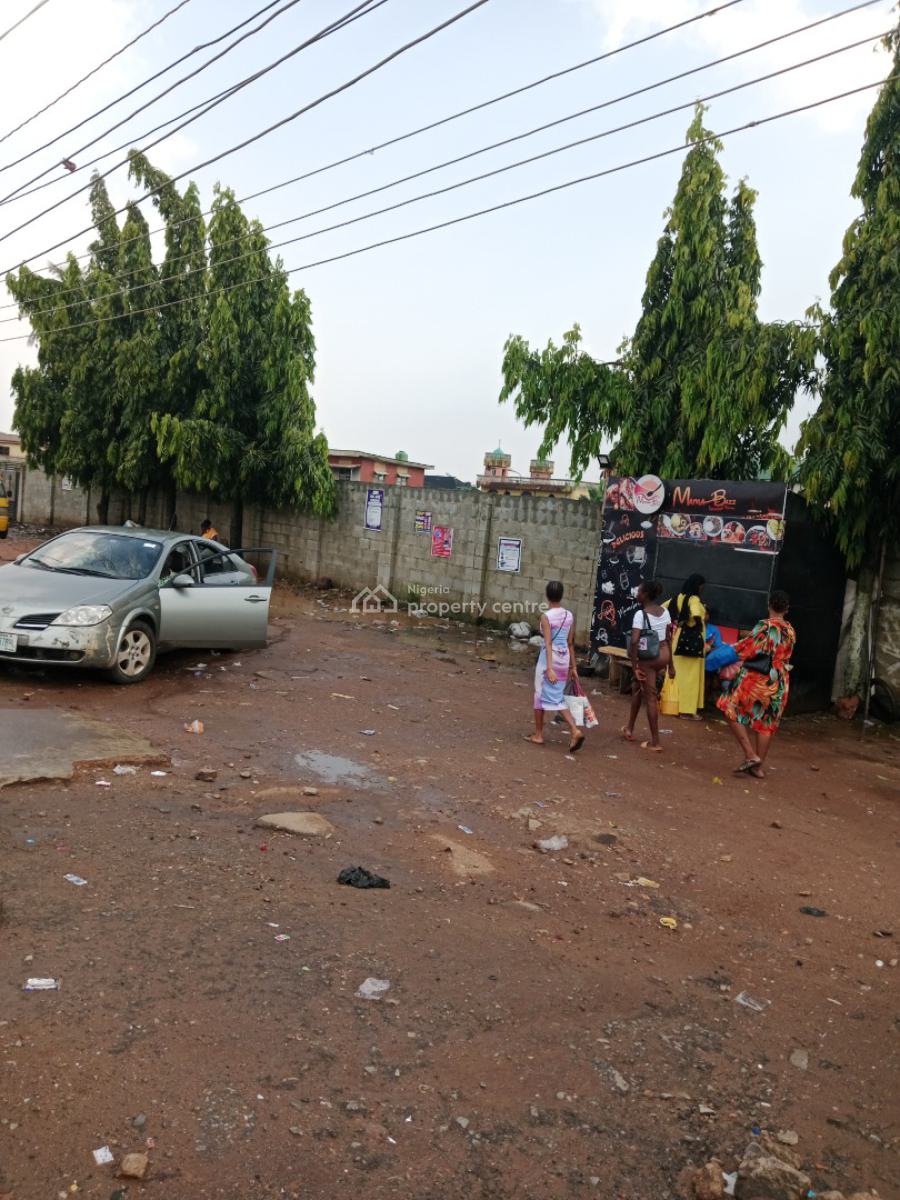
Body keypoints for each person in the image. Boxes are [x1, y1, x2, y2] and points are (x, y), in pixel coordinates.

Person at [717, 590, 796, 780]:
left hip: (756, 678)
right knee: (766, 723)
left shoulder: (765, 626)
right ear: (786, 609)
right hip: (779, 680)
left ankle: (750, 755)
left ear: (769, 605)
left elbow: (748, 648)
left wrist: (730, 647)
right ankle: (757, 767)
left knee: (728, 707)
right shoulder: (791, 630)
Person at [525, 580, 585, 753]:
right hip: (564, 658)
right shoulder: (569, 615)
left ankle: (554, 733)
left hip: (548, 660)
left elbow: (548, 643)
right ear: (561, 595)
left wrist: (549, 668)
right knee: (555, 694)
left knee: (543, 695)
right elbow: (571, 643)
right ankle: (543, 733)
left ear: (547, 595)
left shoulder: (546, 616)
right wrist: (573, 667)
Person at [623, 579, 674, 751]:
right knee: (636, 685)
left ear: (645, 595)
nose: (637, 594)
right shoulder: (665, 612)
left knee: (651, 698)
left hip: (649, 659)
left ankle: (655, 742)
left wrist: (635, 666)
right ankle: (629, 728)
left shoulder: (640, 615)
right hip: (664, 653)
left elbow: (635, 640)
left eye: (639, 592)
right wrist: (671, 666)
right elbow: (668, 638)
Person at [668, 574, 706, 719]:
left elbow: (664, 607)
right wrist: (699, 621)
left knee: (676, 674)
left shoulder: (678, 597)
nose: (703, 589)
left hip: (679, 640)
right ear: (697, 586)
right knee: (691, 678)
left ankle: (673, 705)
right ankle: (687, 710)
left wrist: (679, 621)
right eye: (702, 586)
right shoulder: (694, 599)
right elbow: (696, 614)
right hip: (692, 643)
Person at [704, 608, 739, 675]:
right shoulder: (692, 628)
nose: (702, 616)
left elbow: (718, 646)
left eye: (705, 614)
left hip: (710, 656)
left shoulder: (713, 628)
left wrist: (709, 648)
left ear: (708, 616)